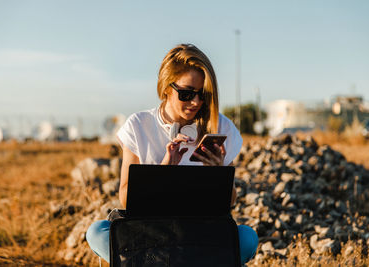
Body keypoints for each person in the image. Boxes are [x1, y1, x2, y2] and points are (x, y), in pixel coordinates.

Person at [86, 44, 258, 264]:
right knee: (97, 231)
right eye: (186, 94)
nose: (196, 102)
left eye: (203, 94)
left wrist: (218, 173)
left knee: (247, 238)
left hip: (199, 234)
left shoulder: (221, 127)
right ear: (167, 87)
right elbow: (125, 198)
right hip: (152, 234)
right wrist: (163, 172)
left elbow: (230, 202)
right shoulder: (139, 125)